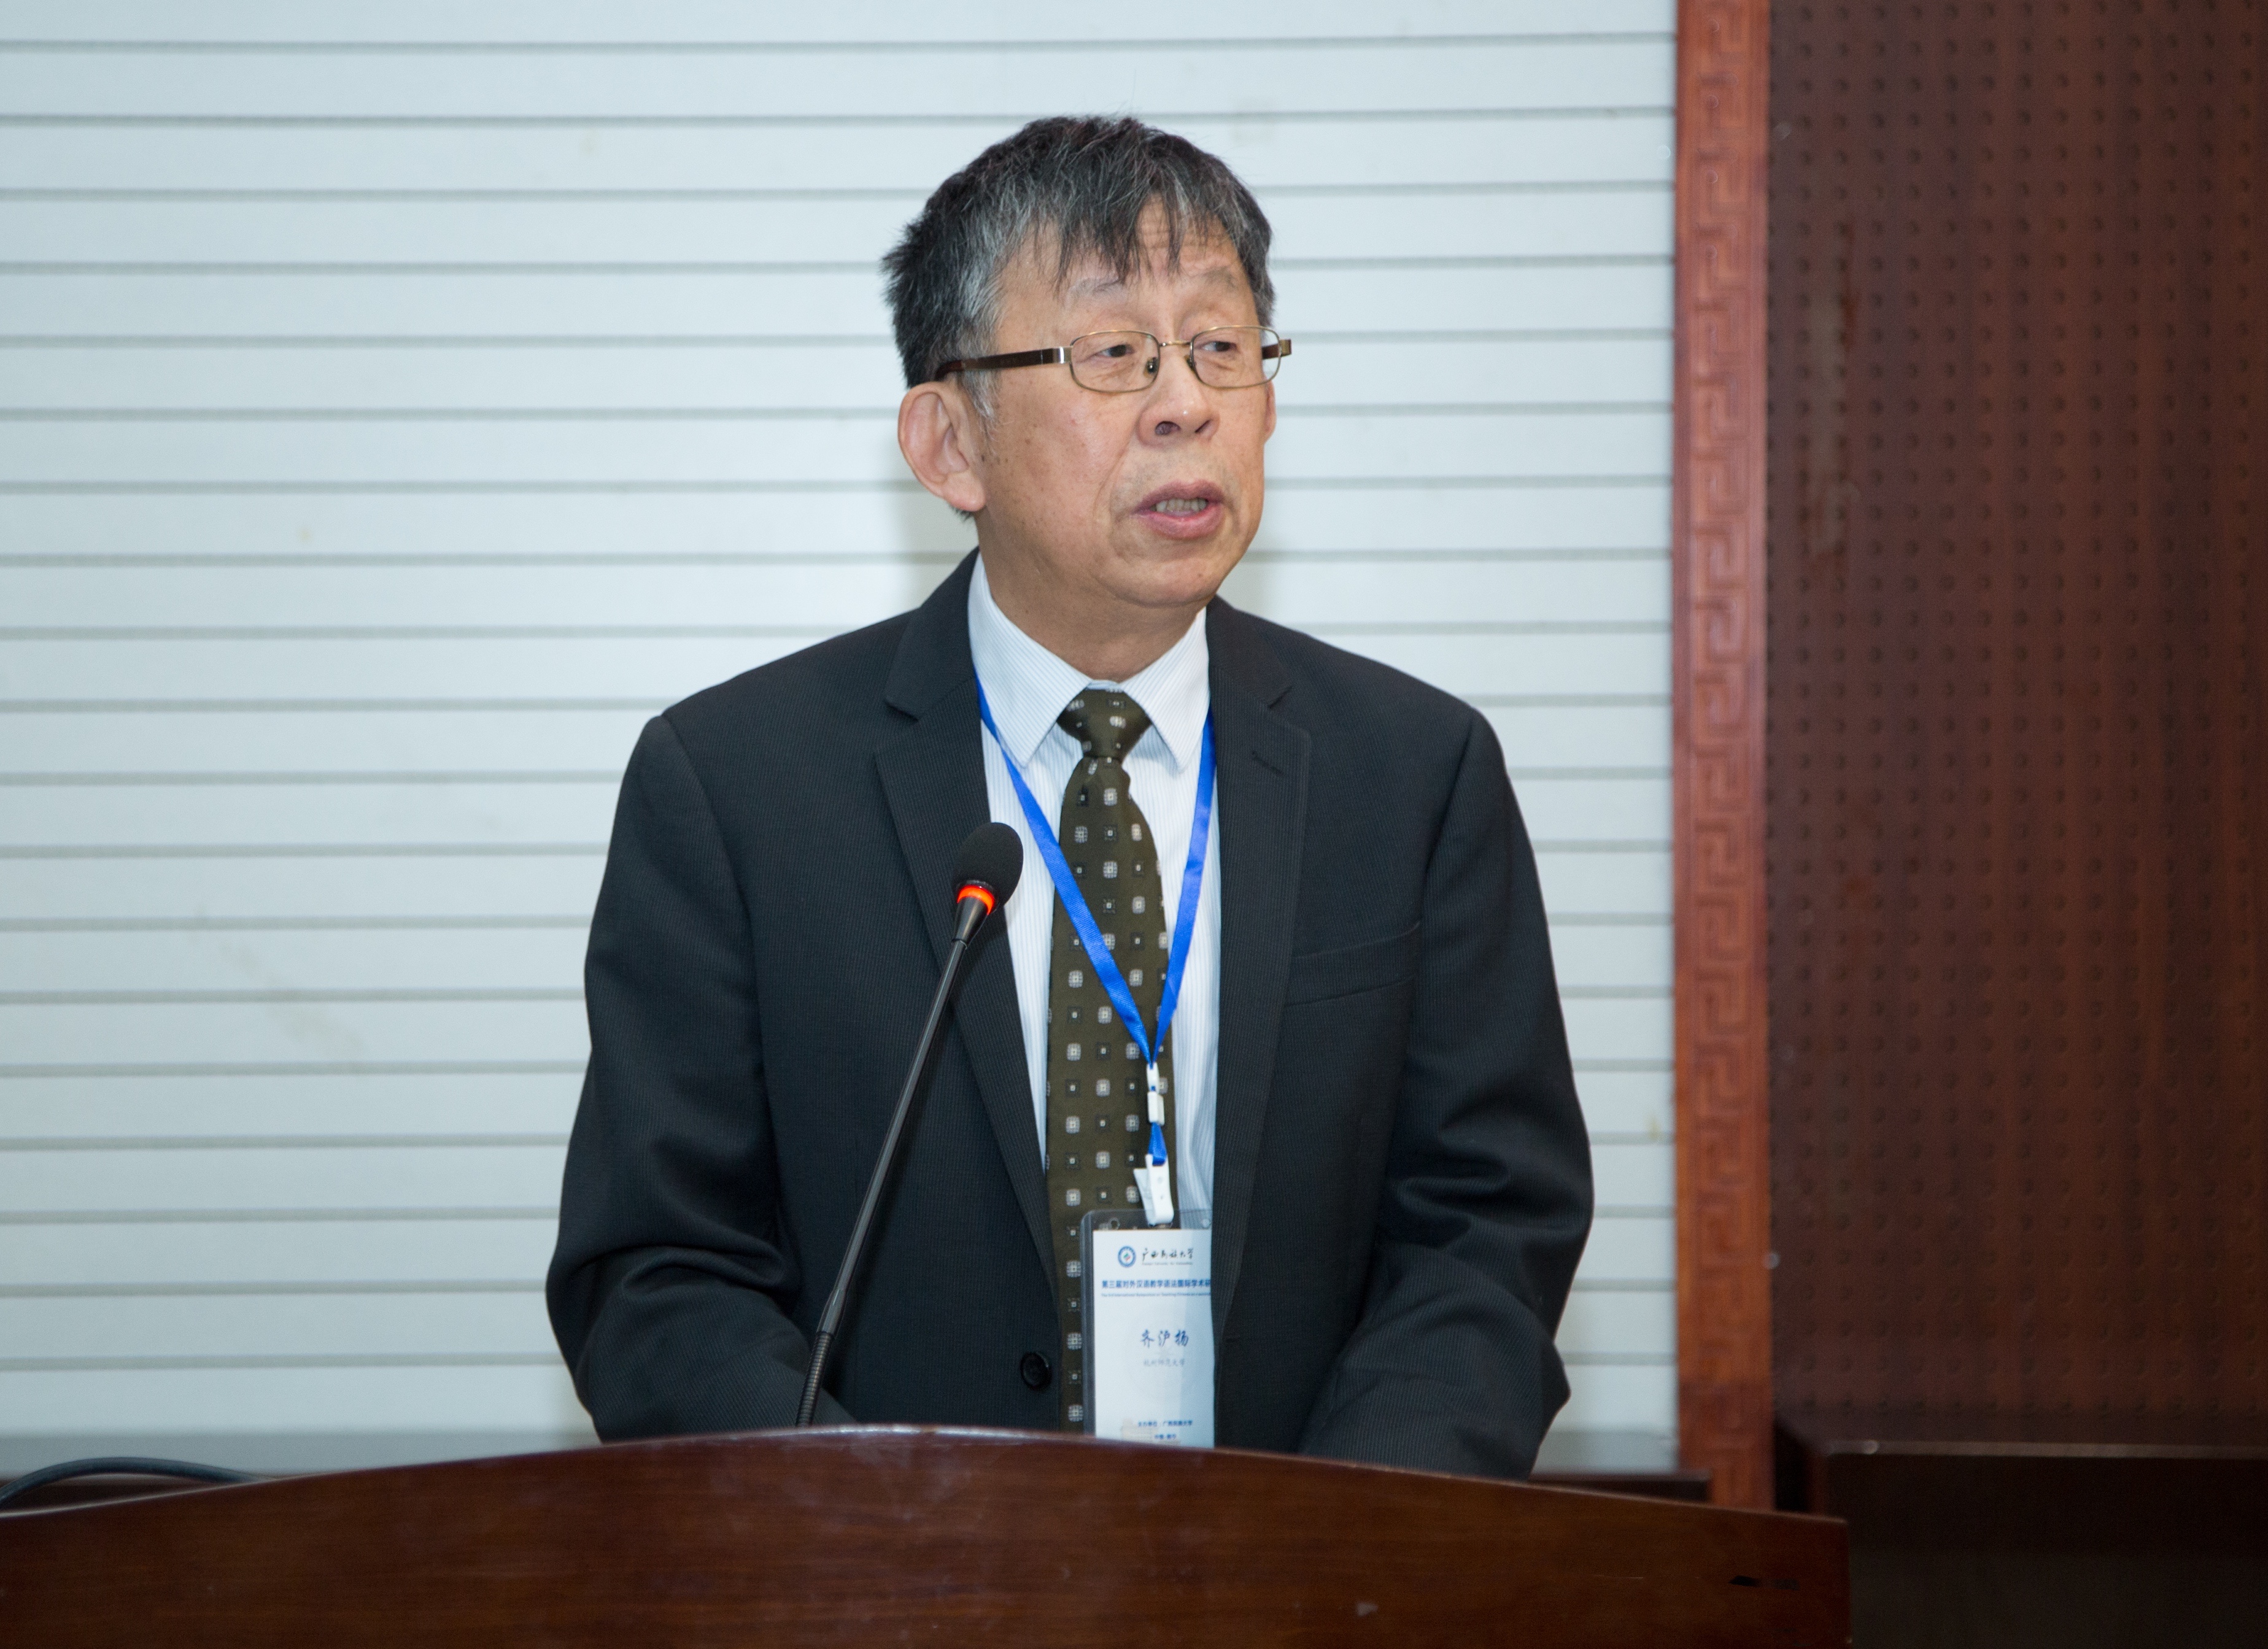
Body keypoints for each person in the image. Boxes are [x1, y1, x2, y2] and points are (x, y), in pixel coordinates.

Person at [547, 116, 1592, 1476]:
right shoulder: (738, 789)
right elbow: (659, 1271)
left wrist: (1332, 1544)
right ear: (950, 443)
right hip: (891, 1571)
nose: (1186, 404)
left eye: (1220, 347)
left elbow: (1486, 1229)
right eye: (1113, 353)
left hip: (1310, 1560)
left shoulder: (1412, 774)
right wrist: (887, 1539)